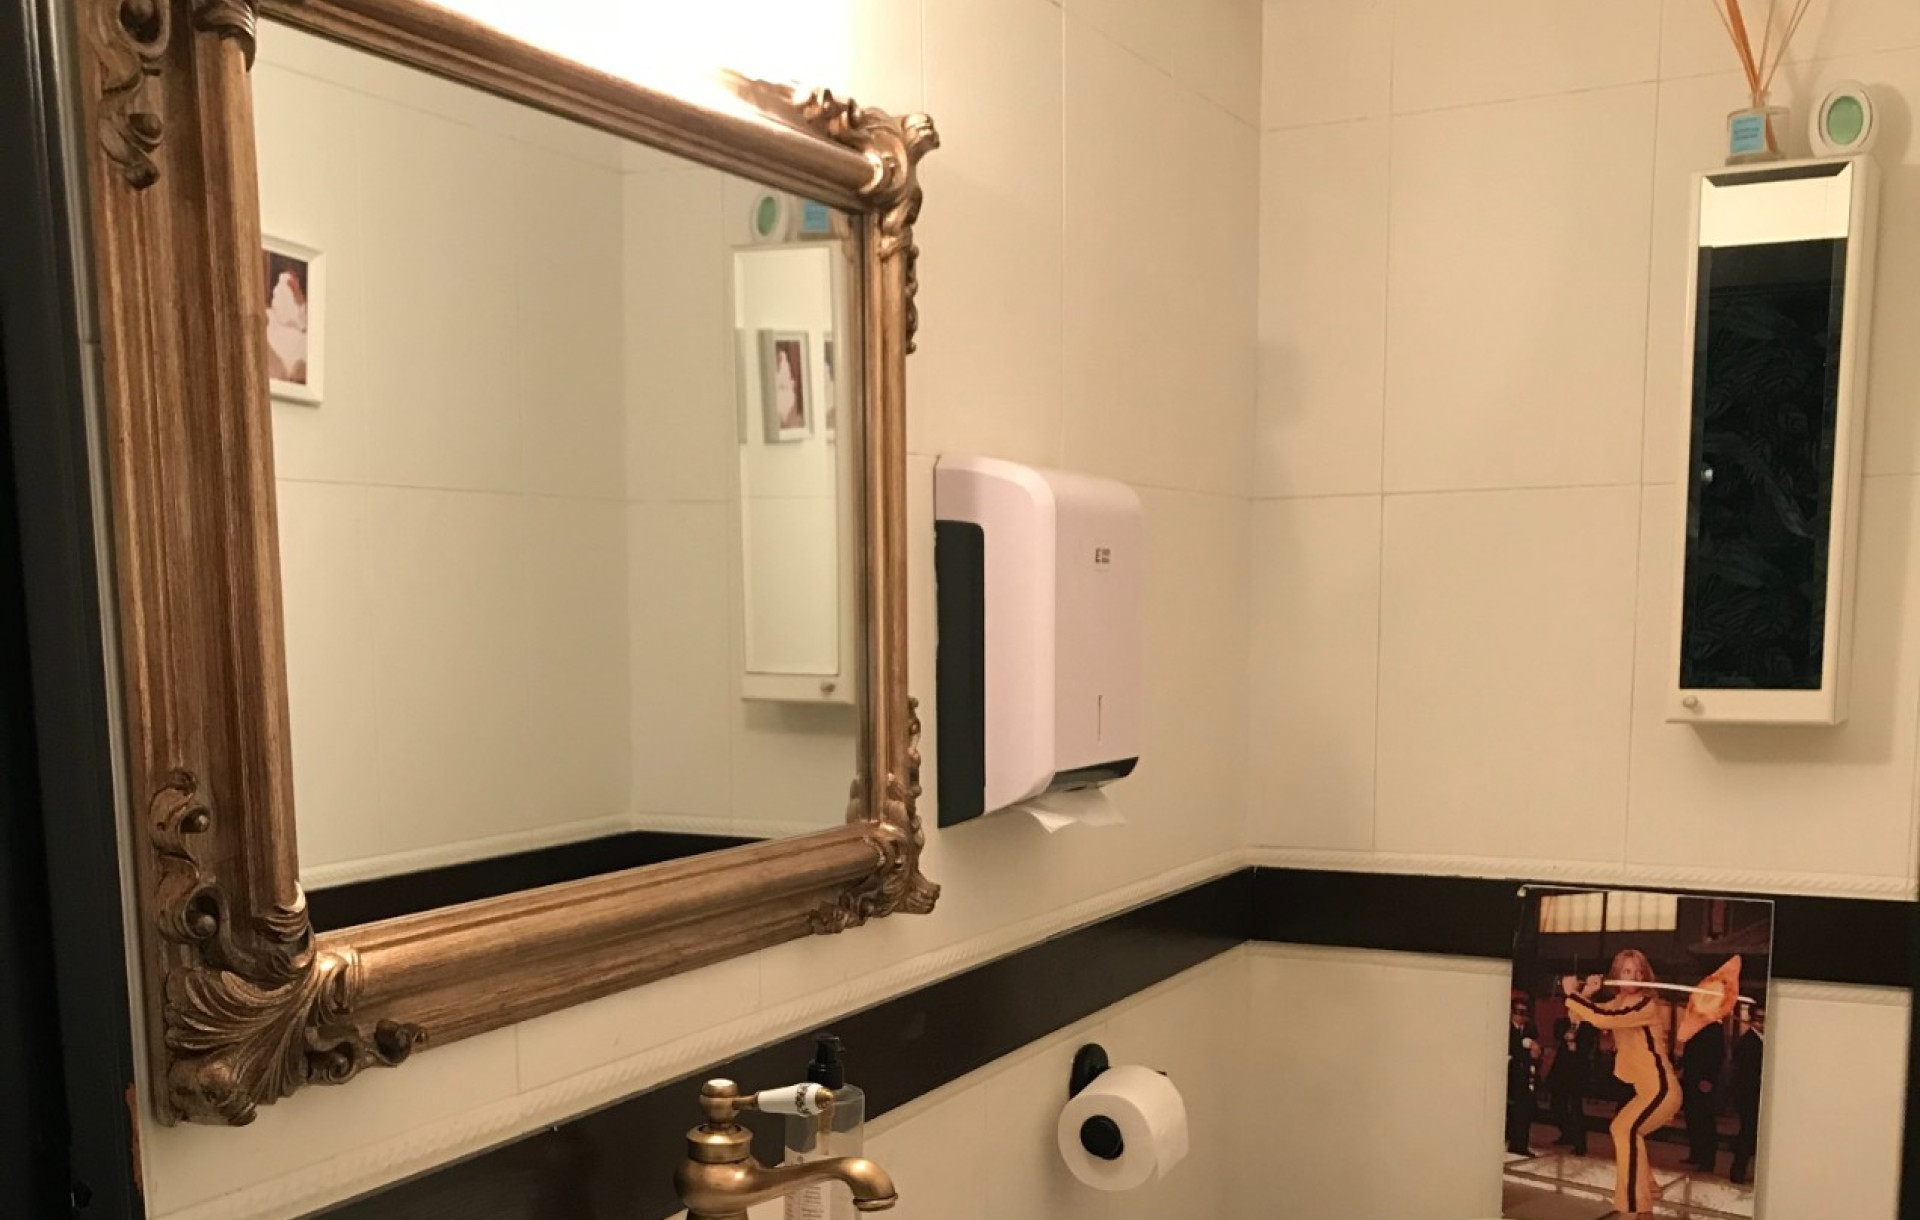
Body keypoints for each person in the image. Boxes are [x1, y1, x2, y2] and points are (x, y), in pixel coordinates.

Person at [1565, 950, 1684, 1218]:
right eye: (1627, 971)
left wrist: (1573, 993)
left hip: (1662, 1088)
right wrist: (1587, 993)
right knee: (1622, 1129)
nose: (1634, 976)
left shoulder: (1645, 1005)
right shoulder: (1619, 1002)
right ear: (1617, 974)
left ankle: (1634, 1207)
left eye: (1638, 972)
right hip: (1647, 1090)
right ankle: (1647, 1194)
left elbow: (1603, 1019)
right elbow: (1578, 1016)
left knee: (1625, 1130)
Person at [1680, 1014, 1727, 1172]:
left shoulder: (1714, 1027)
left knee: (1704, 1118)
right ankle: (1696, 1152)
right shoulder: (1696, 1025)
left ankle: (1707, 1159)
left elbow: (1717, 1055)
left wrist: (1709, 1078)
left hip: (1703, 1079)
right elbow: (1689, 1050)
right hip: (1692, 1077)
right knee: (1692, 1116)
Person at [1546, 1015, 1597, 1155]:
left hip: (1577, 1073)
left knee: (1576, 1108)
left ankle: (1580, 1144)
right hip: (1561, 1071)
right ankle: (1567, 1133)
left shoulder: (1588, 1027)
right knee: (1556, 1106)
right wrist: (1567, 1034)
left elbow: (1588, 1048)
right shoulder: (1562, 1022)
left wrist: (1576, 1044)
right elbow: (1557, 1035)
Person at [1728, 1004, 1765, 1185]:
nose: (1762, 1023)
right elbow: (1747, 1074)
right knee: (1748, 1134)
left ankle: (1739, 1171)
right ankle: (1738, 1172)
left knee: (1748, 1133)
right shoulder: (1750, 1043)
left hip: (1748, 1095)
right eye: (1759, 1019)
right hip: (1750, 1096)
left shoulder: (1752, 1041)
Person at [1506, 995, 1542, 1157]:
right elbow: (1512, 1049)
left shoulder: (1530, 1029)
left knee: (1524, 1110)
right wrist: (1526, 1049)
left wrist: (1534, 1051)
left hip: (1525, 1074)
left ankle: (1520, 1144)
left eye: (1524, 1013)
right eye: (1518, 1012)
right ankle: (1511, 1140)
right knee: (1511, 1111)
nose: (1521, 1016)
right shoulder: (1506, 1029)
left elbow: (1536, 1050)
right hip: (1510, 1074)